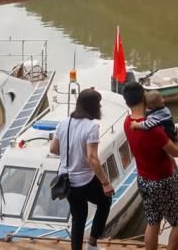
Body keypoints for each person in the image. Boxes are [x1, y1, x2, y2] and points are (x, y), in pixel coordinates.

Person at [122, 82, 178, 250]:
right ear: (144, 98)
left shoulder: (128, 123)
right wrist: (176, 138)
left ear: (127, 102)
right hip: (164, 180)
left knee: (153, 221)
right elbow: (176, 152)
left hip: (144, 180)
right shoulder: (154, 129)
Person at [50, 88, 114, 250]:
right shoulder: (91, 127)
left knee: (78, 218)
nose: (100, 107)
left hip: (67, 181)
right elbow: (92, 158)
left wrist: (72, 155)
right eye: (98, 104)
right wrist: (105, 183)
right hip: (85, 179)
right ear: (93, 106)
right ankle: (92, 244)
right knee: (105, 201)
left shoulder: (63, 123)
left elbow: (53, 149)